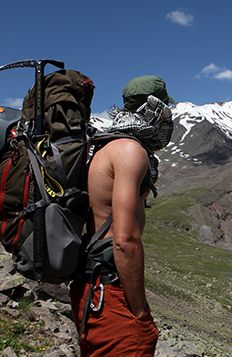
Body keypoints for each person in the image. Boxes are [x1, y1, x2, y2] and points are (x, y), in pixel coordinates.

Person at [70, 75, 175, 356]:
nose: (168, 116)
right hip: (111, 292)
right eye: (165, 108)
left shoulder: (103, 146)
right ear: (153, 108)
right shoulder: (130, 150)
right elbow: (125, 240)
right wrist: (139, 312)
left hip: (91, 288)